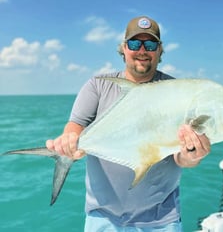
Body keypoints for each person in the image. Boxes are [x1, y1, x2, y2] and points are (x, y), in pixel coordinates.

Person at [46, 16, 211, 231]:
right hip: (103, 217)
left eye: (150, 44)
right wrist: (68, 142)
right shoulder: (98, 85)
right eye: (135, 43)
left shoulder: (176, 91)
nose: (142, 50)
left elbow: (179, 156)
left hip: (161, 219)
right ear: (123, 48)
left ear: (159, 51)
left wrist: (192, 157)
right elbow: (76, 125)